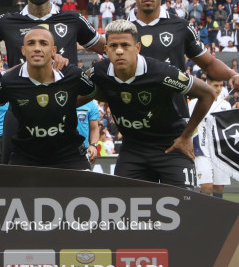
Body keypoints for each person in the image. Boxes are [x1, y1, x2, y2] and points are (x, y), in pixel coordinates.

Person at [91, 20, 216, 188]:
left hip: (171, 146)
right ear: (106, 50)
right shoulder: (99, 71)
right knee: (123, 208)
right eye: (113, 46)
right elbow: (72, 90)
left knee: (187, 206)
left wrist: (186, 136)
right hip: (133, 148)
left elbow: (208, 94)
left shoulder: (162, 72)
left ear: (137, 48)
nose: (119, 51)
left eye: (125, 45)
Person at [0, 26, 95, 168]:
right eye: (31, 43)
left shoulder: (72, 74)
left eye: (43, 43)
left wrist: (67, 104)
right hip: (26, 156)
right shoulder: (9, 81)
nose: (37, 48)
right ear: (23, 50)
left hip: (69, 155)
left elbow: (93, 92)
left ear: (54, 51)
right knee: (12, 189)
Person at [131, 0, 239, 93]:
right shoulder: (120, 30)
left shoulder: (182, 26)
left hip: (173, 111)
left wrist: (233, 75)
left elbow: (209, 64)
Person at [189, 78, 232, 197]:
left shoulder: (226, 105)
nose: (218, 89)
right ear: (207, 85)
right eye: (215, 85)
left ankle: (217, 214)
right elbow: (188, 125)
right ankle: (204, 213)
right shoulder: (194, 103)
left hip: (221, 151)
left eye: (221, 85)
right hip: (201, 150)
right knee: (206, 187)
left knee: (218, 188)